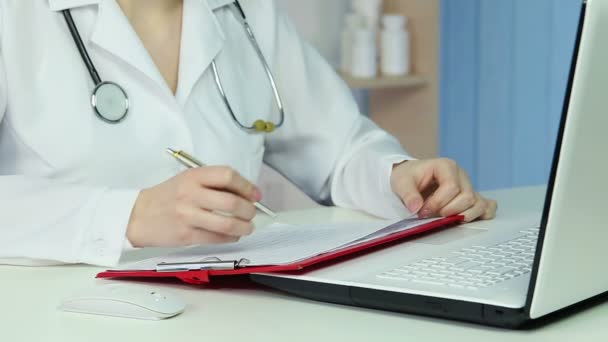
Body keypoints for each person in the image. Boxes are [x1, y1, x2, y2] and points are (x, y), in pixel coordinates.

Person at [0, 0, 496, 267]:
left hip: (226, 313)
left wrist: (399, 176)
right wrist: (125, 216)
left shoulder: (245, 10)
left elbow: (340, 147)